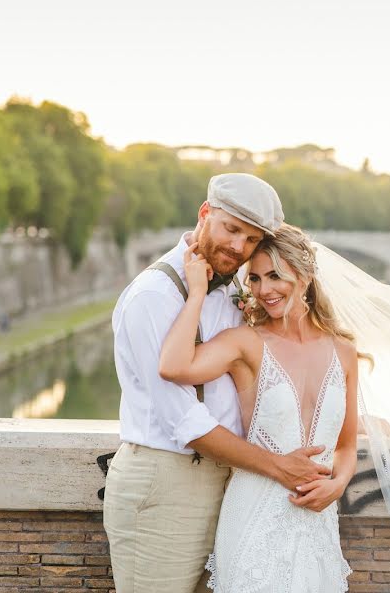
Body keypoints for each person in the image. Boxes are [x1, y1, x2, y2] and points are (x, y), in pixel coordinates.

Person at [103, 174, 332, 593]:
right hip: (166, 483)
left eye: (250, 240)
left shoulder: (234, 289)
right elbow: (185, 420)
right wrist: (281, 467)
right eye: (231, 229)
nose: (238, 248)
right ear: (205, 214)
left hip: (230, 485)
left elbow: (268, 375)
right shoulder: (155, 296)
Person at [158, 223, 360, 591]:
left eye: (275, 276)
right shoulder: (245, 344)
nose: (264, 290)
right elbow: (173, 367)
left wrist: (340, 482)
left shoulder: (343, 351)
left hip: (316, 524)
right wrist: (197, 293)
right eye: (254, 279)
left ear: (305, 277)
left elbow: (346, 444)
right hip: (254, 516)